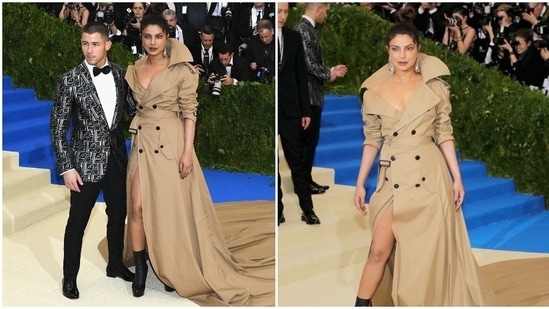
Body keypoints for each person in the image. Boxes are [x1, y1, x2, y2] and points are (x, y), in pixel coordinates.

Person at [120, 14, 274, 305]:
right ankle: (142, 268)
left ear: (168, 37)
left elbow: (189, 112)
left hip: (171, 142)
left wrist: (187, 151)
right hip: (142, 142)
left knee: (169, 209)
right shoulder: (134, 68)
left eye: (158, 37)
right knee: (138, 206)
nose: (153, 43)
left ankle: (170, 267)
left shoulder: (181, 69)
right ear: (141, 38)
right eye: (147, 37)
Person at [352, 7, 497, 306]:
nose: (402, 55)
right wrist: (359, 183)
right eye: (395, 49)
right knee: (379, 250)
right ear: (387, 51)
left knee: (425, 255)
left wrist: (457, 178)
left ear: (418, 50)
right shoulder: (373, 91)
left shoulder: (435, 87)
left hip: (429, 176)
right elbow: (371, 140)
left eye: (408, 48)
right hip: (391, 177)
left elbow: (444, 132)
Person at [50, 21, 135, 300]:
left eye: (95, 44)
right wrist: (66, 167)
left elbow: (136, 110)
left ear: (108, 44)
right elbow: (57, 127)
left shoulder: (122, 75)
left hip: (117, 159)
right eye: (85, 43)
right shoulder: (70, 79)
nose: (89, 50)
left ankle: (115, 264)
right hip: (84, 164)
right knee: (77, 223)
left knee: (118, 214)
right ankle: (69, 278)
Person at [294, 3, 347, 195]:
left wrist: (330, 72)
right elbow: (308, 64)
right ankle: (303, 183)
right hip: (307, 96)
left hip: (313, 94)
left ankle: (306, 181)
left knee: (310, 141)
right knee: (307, 142)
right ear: (318, 9)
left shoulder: (307, 29)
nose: (326, 14)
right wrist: (329, 72)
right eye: (325, 10)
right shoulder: (303, 29)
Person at [277, 2, 318, 225]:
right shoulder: (260, 39)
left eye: (285, 12)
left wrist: (305, 110)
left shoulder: (293, 37)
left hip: (292, 109)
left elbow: (301, 76)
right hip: (273, 110)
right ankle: (278, 210)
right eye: (278, 11)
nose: (282, 16)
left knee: (298, 162)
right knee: (272, 163)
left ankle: (308, 209)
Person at [246, 19, 275, 84]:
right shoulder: (253, 42)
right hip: (257, 77)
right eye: (261, 37)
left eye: (266, 37)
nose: (264, 40)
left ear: (272, 31)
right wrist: (250, 65)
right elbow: (246, 59)